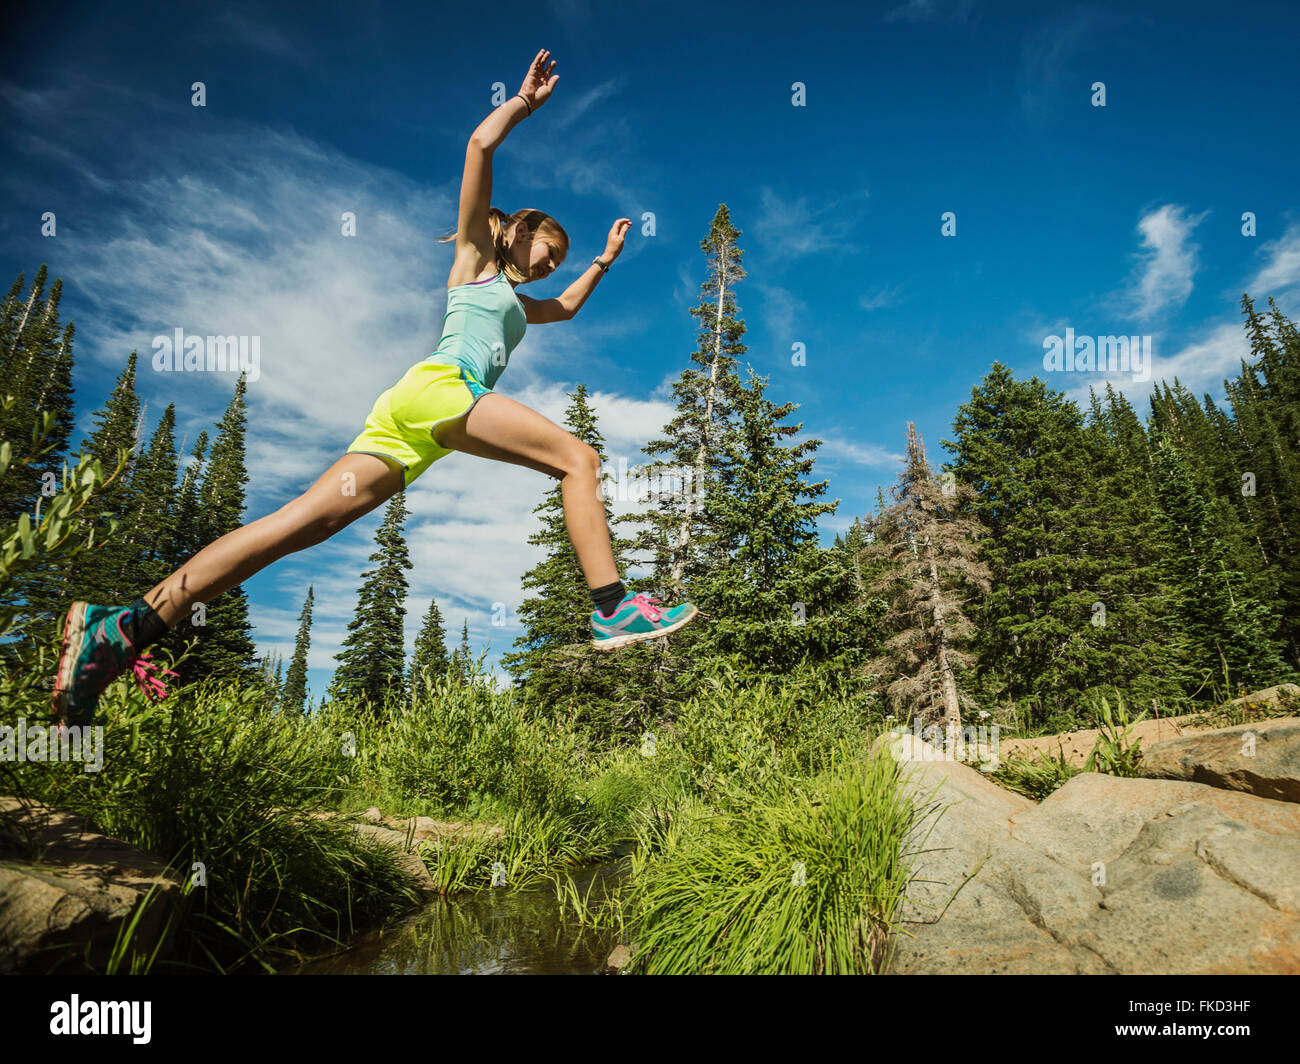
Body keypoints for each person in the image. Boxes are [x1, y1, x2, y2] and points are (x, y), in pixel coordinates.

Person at [52, 49, 697, 727]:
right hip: (442, 390)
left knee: (296, 527)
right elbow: (479, 145)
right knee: (579, 459)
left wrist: (600, 261)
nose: (551, 265)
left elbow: (563, 309)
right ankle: (613, 605)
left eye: (559, 261)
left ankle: (122, 630)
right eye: (550, 251)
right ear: (521, 231)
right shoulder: (476, 259)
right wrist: (525, 104)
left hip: (409, 424)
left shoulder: (517, 300)